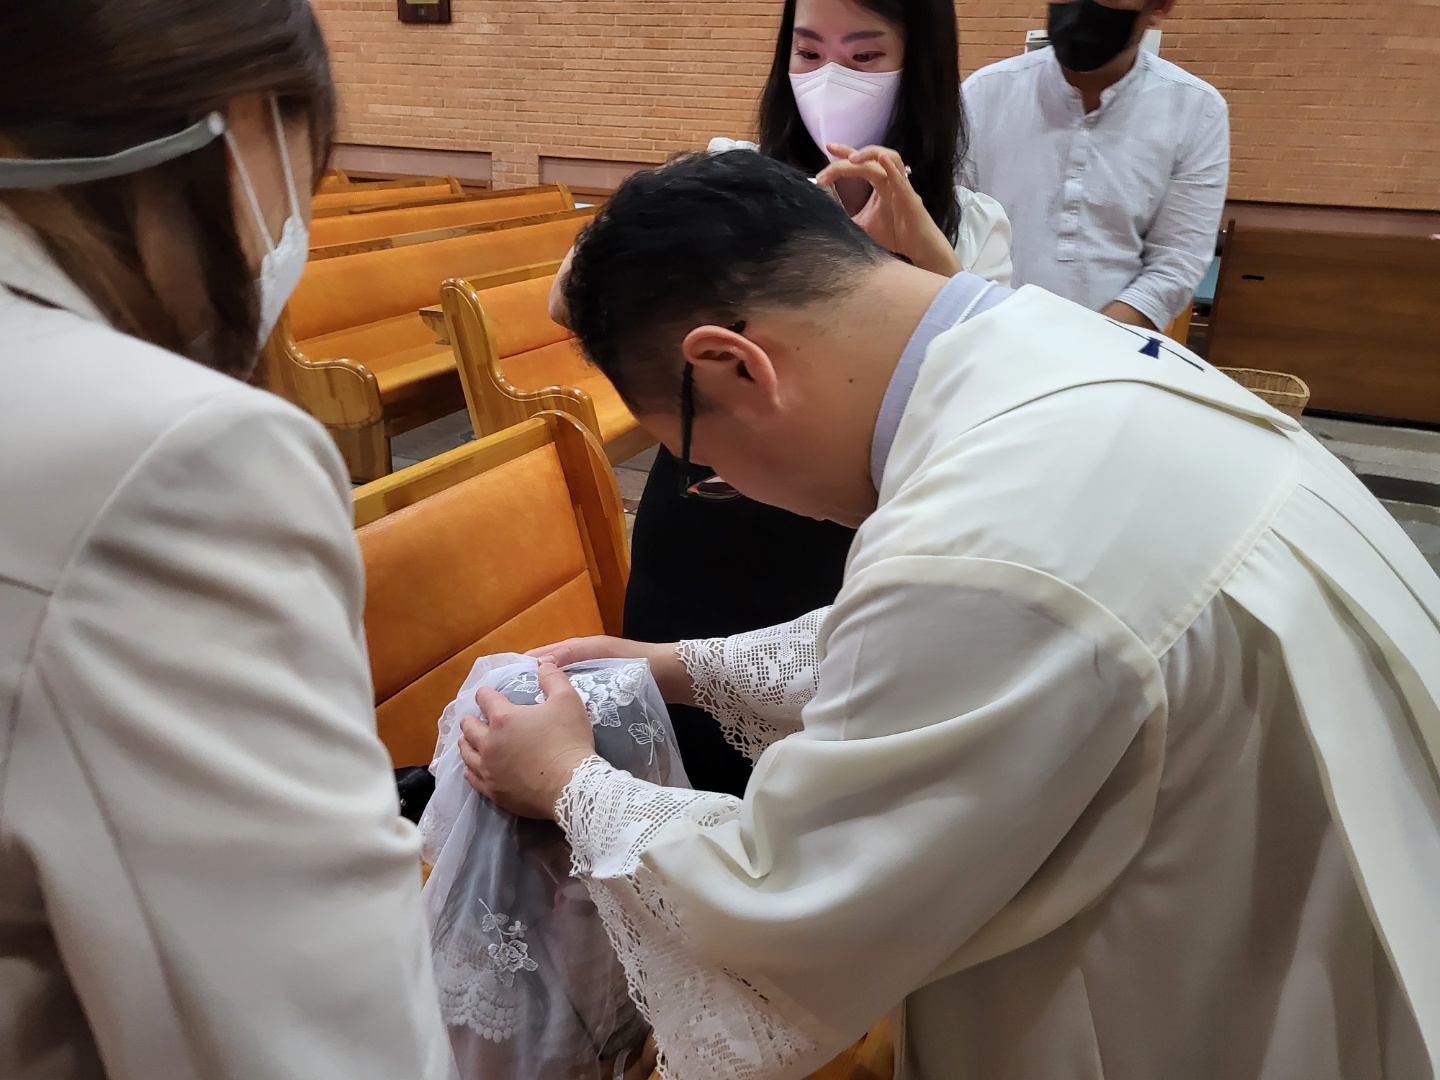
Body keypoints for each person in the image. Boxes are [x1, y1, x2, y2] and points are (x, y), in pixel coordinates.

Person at [462, 152, 1439, 1080]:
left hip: (1206, 994)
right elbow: (941, 653)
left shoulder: (983, 543)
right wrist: (676, 665)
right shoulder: (1046, 344)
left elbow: (794, 895)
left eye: (703, 464)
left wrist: (565, 781)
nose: (727, 486)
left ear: (735, 367)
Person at [0, 3, 452, 1077]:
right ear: (233, 119)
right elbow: (315, 1034)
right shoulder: (179, 457)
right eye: (301, 157)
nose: (289, 217)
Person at [624, 0, 1010, 799]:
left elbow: (988, 383)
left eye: (864, 58)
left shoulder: (971, 222)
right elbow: (581, 295)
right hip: (710, 511)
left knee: (822, 766)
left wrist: (921, 257)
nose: (831, 78)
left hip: (850, 529)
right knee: (685, 751)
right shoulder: (734, 177)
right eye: (807, 53)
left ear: (919, 68)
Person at [961, 0, 1229, 331]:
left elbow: (1176, 262)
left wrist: (1089, 344)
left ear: (1160, 6)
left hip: (1109, 346)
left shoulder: (1198, 111)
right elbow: (953, 233)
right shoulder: (983, 93)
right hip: (982, 336)